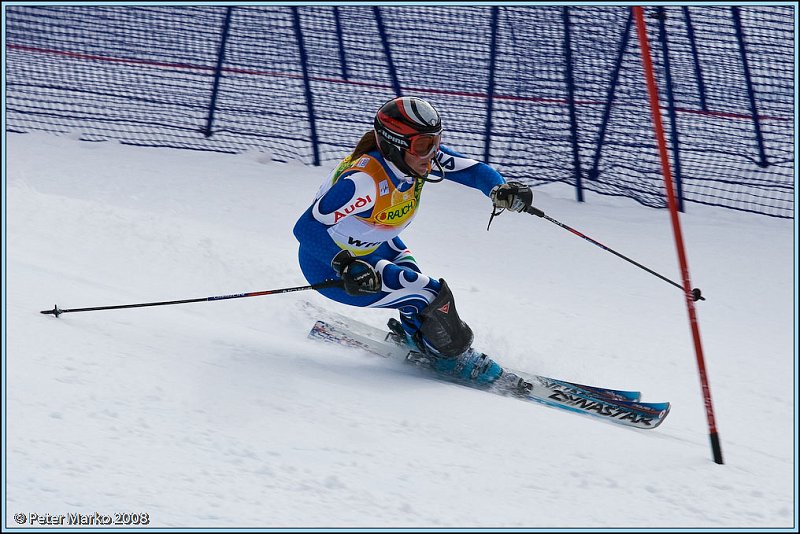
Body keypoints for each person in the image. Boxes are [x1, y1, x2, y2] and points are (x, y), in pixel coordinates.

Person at [293, 96, 533, 390]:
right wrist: (345, 265)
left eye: (436, 141)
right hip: (328, 266)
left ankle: (417, 338)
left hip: (373, 245)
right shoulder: (363, 183)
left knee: (414, 284)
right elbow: (306, 228)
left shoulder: (414, 159)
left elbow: (470, 170)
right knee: (429, 294)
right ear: (394, 145)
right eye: (423, 145)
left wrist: (499, 188)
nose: (432, 154)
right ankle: (451, 357)